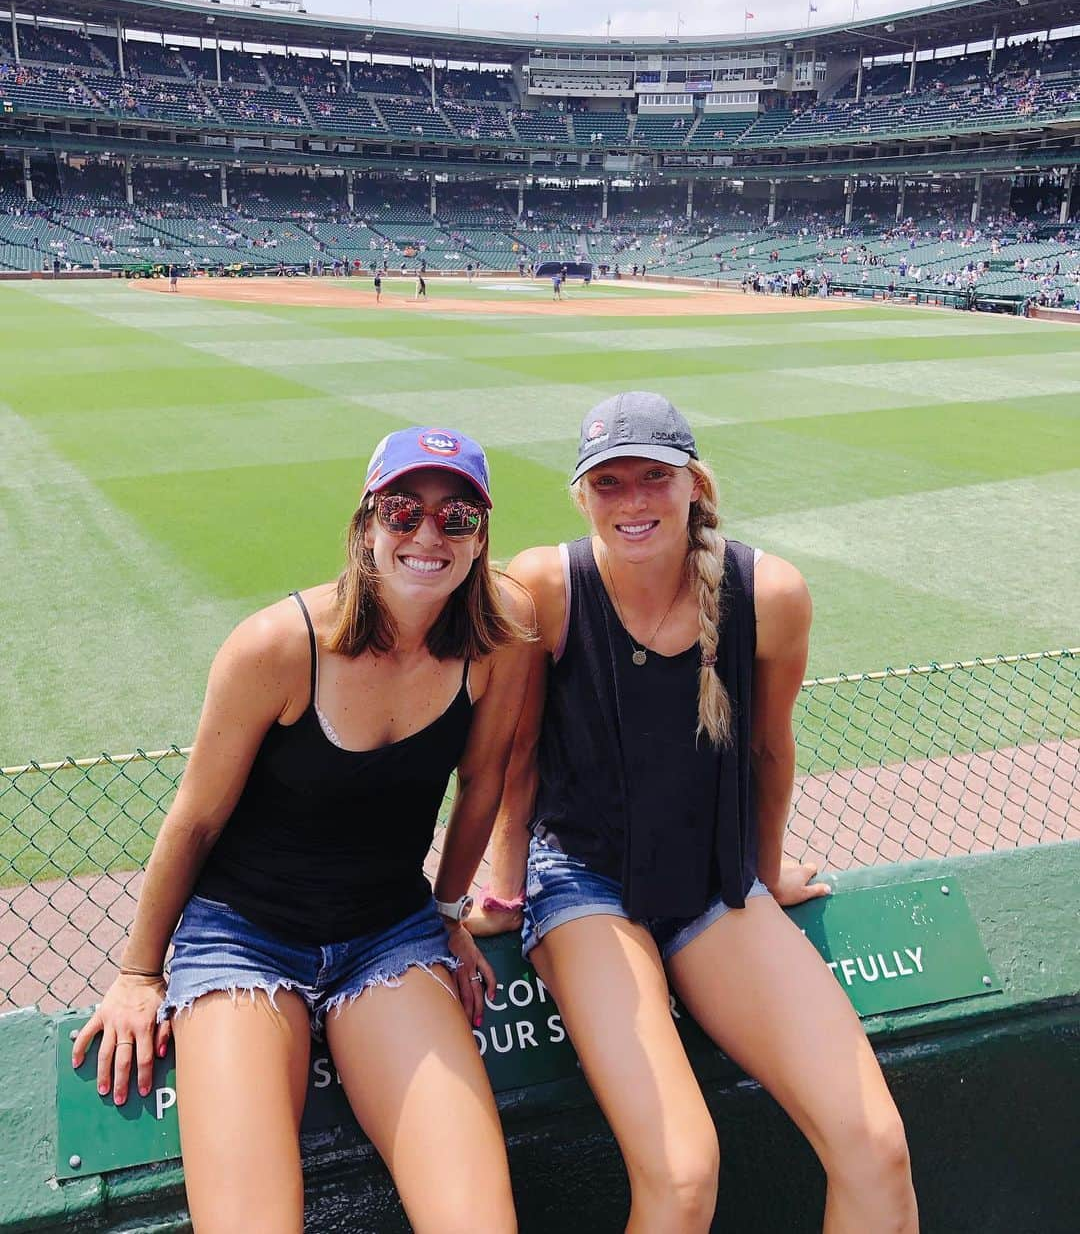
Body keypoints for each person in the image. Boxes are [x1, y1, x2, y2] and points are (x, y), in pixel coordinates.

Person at [474, 392, 918, 1232]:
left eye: (655, 478)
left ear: (694, 486)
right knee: (683, 1176)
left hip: (713, 880)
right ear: (582, 495)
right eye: (609, 483)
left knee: (876, 1146)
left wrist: (760, 869)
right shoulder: (545, 586)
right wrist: (502, 892)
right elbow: (514, 757)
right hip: (581, 883)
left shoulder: (770, 593)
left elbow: (768, 753)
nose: (633, 502)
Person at [72, 427, 532, 1234]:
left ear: (481, 535)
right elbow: (197, 817)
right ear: (365, 523)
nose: (428, 535)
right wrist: (139, 972)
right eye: (402, 510)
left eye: (457, 517)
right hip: (241, 940)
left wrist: (451, 912)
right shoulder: (277, 647)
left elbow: (484, 779)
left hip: (389, 935)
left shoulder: (493, 642)